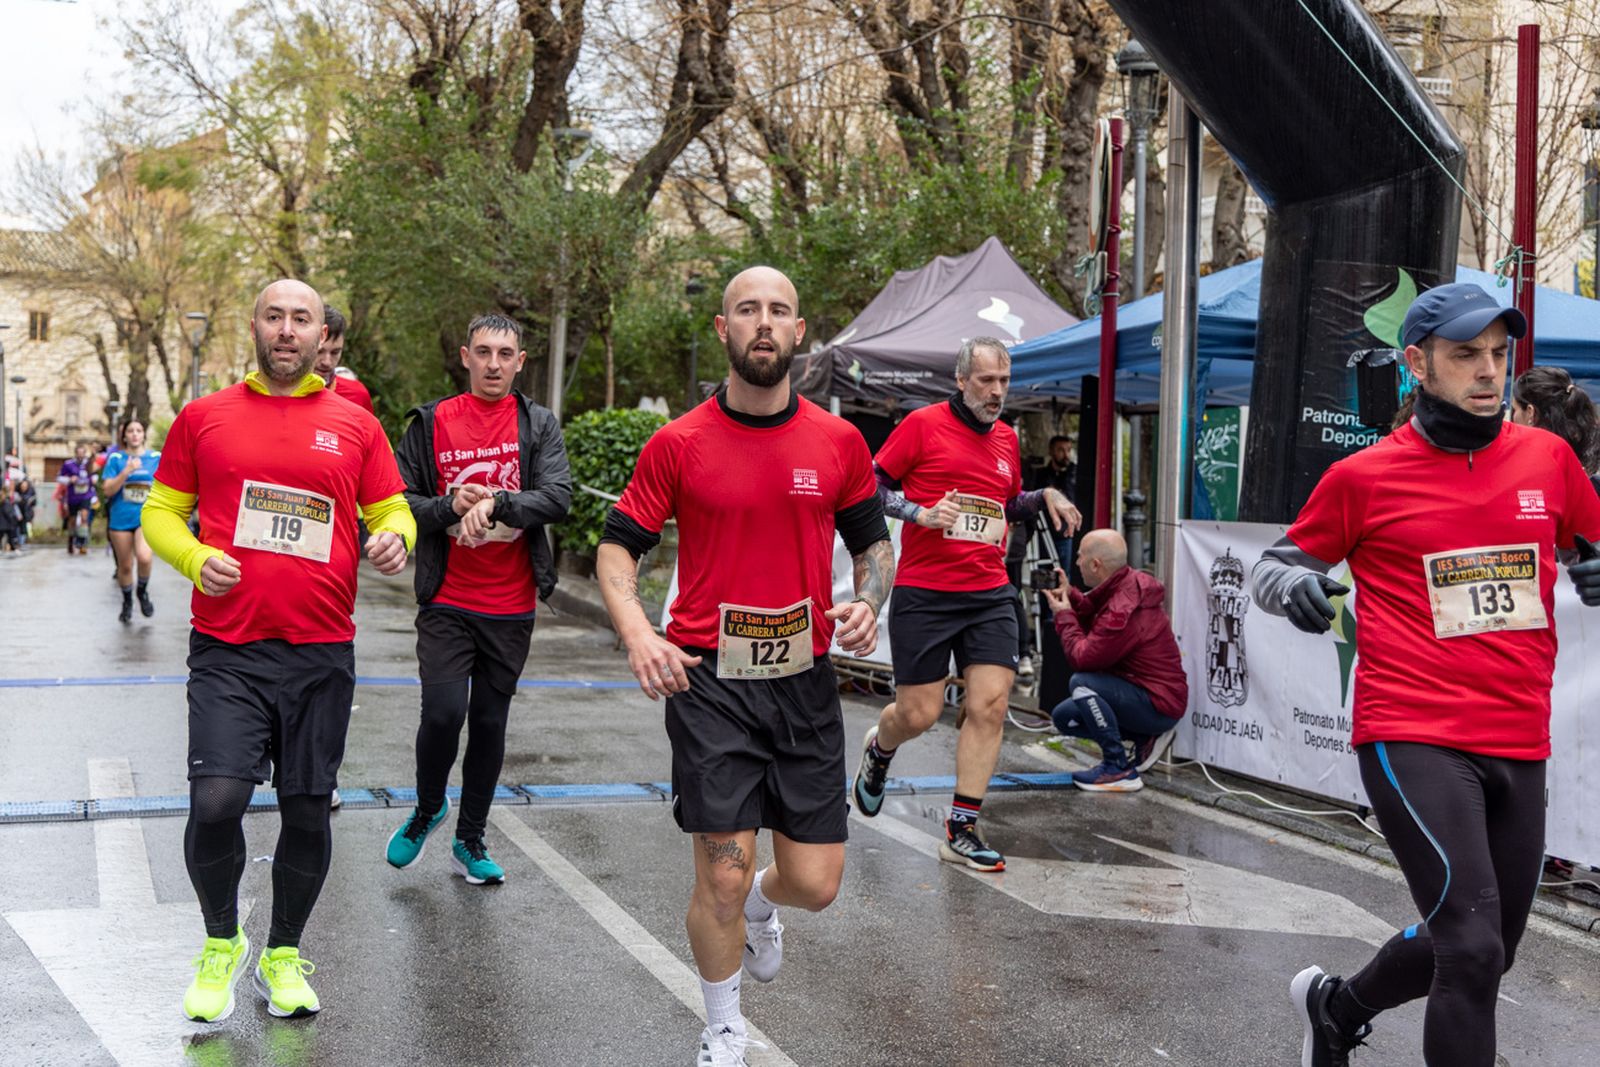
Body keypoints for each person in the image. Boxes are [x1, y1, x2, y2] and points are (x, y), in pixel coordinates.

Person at [1249, 282, 1600, 1067]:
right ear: (1417, 363)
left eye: (1500, 354)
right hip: (1411, 731)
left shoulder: (1547, 458)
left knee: (1486, 946)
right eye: (1465, 354)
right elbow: (1277, 566)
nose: (1488, 371)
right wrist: (1296, 589)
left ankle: (1337, 1007)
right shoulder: (1366, 476)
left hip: (1518, 733)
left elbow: (1587, 538)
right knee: (1471, 950)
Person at [596, 266, 893, 1067]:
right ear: (724, 330)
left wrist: (871, 598)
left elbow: (874, 542)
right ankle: (725, 1023)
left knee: (816, 881)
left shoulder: (838, 443)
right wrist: (636, 632)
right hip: (708, 681)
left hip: (804, 683)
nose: (764, 322)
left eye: (780, 311)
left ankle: (767, 908)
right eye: (747, 310)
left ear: (800, 333)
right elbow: (619, 544)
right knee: (719, 878)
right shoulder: (679, 442)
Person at [143, 278, 416, 1025]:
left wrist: (400, 535)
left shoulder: (356, 424)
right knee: (217, 799)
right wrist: (198, 559)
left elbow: (388, 505)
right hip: (229, 646)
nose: (288, 329)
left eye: (301, 318)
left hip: (322, 649)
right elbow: (161, 510)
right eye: (274, 316)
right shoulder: (206, 417)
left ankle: (284, 952)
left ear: (320, 331)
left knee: (306, 810)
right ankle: (222, 940)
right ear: (255, 327)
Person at [853, 337, 1079, 872]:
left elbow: (1005, 505)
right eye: (986, 380)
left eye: (1003, 380)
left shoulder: (1006, 438)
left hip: (988, 590)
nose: (997, 391)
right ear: (960, 380)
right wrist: (920, 513)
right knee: (920, 713)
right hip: (926, 592)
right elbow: (872, 486)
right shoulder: (922, 425)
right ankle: (879, 750)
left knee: (991, 704)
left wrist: (1043, 496)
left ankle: (961, 828)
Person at [386, 313, 571, 883]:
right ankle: (427, 807)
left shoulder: (538, 425)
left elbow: (558, 497)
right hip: (447, 599)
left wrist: (498, 502)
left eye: (505, 354)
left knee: (490, 724)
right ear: (465, 356)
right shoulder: (430, 421)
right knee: (443, 714)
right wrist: (450, 505)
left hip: (510, 604)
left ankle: (470, 839)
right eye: (484, 352)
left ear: (520, 362)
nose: (494, 364)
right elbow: (399, 501)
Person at [1043, 529, 1187, 791]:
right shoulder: (1124, 584)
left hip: (1158, 704)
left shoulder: (1125, 607)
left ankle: (1117, 767)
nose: (1076, 563)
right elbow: (1098, 616)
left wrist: (1064, 615)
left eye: (1079, 557)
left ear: (1095, 565)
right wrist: (1071, 595)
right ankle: (1143, 736)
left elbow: (1083, 658)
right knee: (1064, 717)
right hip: (1142, 692)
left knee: (1082, 683)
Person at [100, 420, 161, 622]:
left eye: (139, 430)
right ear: (124, 436)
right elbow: (107, 490)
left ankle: (142, 591)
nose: (135, 434)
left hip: (146, 518)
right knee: (125, 567)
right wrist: (126, 471)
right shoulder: (116, 458)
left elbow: (167, 486)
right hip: (120, 519)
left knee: (144, 557)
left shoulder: (156, 458)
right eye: (130, 431)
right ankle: (127, 601)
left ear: (144, 434)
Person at [1511, 365, 1600, 493]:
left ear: (1530, 413)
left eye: (1515, 410)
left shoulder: (1518, 481)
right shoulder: (1590, 484)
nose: (1512, 420)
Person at [312, 305, 376, 415]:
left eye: (335, 352)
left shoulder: (357, 394)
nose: (327, 362)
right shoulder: (278, 390)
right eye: (319, 351)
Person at [57, 442, 96, 554]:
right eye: (78, 453)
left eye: (82, 453)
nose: (80, 455)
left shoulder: (88, 464)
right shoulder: (68, 464)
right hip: (73, 496)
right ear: (75, 453)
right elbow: (59, 477)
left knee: (84, 517)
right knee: (72, 520)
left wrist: (93, 479)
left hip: (85, 495)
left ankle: (82, 543)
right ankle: (71, 540)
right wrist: (70, 480)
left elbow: (94, 474)